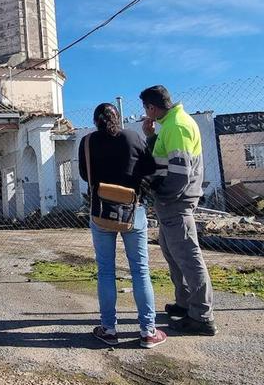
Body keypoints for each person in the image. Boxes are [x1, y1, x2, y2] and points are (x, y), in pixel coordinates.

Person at [79, 103, 167, 348]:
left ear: (95, 121)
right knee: (140, 270)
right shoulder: (133, 137)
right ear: (117, 118)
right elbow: (149, 168)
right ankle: (148, 331)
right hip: (133, 211)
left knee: (106, 271)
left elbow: (85, 175)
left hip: (101, 212)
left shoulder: (87, 142)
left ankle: (108, 329)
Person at [140, 85, 216, 335]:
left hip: (176, 202)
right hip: (172, 203)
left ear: (151, 108)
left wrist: (160, 196)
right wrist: (150, 137)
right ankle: (185, 304)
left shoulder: (177, 127)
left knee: (188, 256)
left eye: (146, 109)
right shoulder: (171, 125)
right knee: (173, 253)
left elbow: (180, 175)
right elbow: (162, 160)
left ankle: (202, 317)